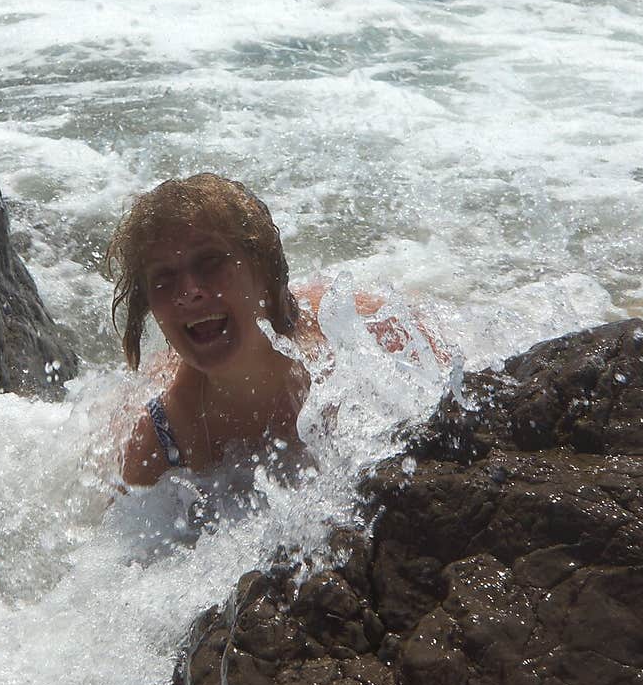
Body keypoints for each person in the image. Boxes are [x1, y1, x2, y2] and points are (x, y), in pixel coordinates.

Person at [103, 172, 443, 487]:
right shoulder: (162, 438)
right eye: (163, 278)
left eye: (210, 261)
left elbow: (454, 378)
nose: (189, 290)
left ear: (265, 275)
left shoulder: (357, 332)